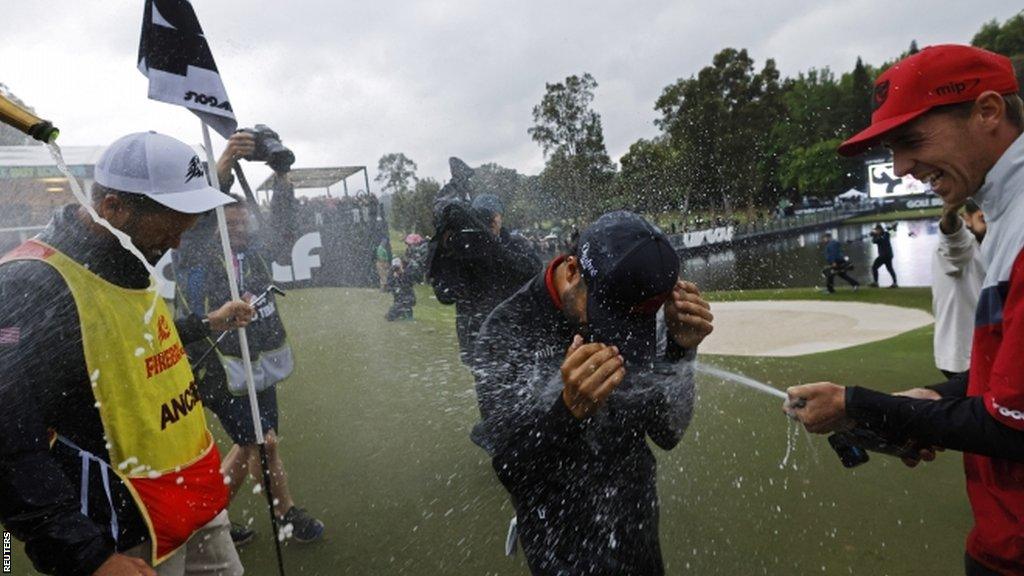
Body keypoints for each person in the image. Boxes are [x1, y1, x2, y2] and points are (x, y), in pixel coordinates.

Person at [786, 44, 1024, 575]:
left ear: (988, 112)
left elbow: (1013, 425)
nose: (900, 168)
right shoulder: (1004, 216)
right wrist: (929, 398)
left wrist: (858, 405)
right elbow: (1003, 389)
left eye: (911, 141)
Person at [0, 131, 252, 575]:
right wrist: (87, 556)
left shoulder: (132, 254)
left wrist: (209, 323)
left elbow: (129, 343)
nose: (177, 242)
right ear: (114, 208)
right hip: (125, 531)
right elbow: (9, 440)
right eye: (171, 222)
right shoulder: (29, 284)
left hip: (190, 500)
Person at [471, 211, 714, 575]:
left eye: (633, 324)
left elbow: (666, 434)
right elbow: (511, 469)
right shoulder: (507, 328)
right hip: (557, 537)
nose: (619, 337)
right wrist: (567, 413)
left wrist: (681, 352)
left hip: (636, 520)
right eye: (606, 315)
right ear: (571, 271)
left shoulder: (646, 312)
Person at [178, 194, 325, 544]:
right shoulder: (199, 255)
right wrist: (227, 161)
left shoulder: (254, 252)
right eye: (229, 224)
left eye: (242, 221)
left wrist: (282, 182)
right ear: (213, 227)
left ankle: (209, 522)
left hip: (254, 363)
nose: (239, 228)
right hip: (221, 368)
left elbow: (283, 229)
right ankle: (285, 514)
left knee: (251, 444)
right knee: (262, 441)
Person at [428, 191, 542, 363]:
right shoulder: (462, 250)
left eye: (491, 218)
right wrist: (445, 248)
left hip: (515, 336)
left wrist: (493, 247)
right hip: (477, 342)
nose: (491, 223)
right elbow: (445, 295)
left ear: (498, 218)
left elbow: (534, 269)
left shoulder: (514, 243)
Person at [932, 199, 987, 379]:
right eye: (983, 218)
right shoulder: (965, 244)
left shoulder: (989, 245)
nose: (989, 223)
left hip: (977, 349)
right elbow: (953, 240)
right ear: (967, 218)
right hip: (963, 353)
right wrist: (950, 213)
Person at [385, 257, 417, 321]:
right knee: (390, 315)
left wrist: (402, 274)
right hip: (399, 299)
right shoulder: (392, 274)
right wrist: (393, 277)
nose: (397, 270)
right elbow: (388, 286)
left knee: (403, 304)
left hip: (408, 298)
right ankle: (401, 313)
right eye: (395, 268)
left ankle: (407, 314)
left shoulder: (408, 272)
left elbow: (409, 284)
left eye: (398, 267)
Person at [868, 223, 898, 288]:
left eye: (877, 230)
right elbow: (874, 241)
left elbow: (894, 233)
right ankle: (895, 283)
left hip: (884, 255)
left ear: (880, 229)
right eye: (875, 230)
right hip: (888, 255)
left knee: (874, 267)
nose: (876, 231)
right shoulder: (884, 234)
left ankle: (876, 283)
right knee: (890, 269)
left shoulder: (885, 234)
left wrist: (893, 227)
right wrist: (874, 235)